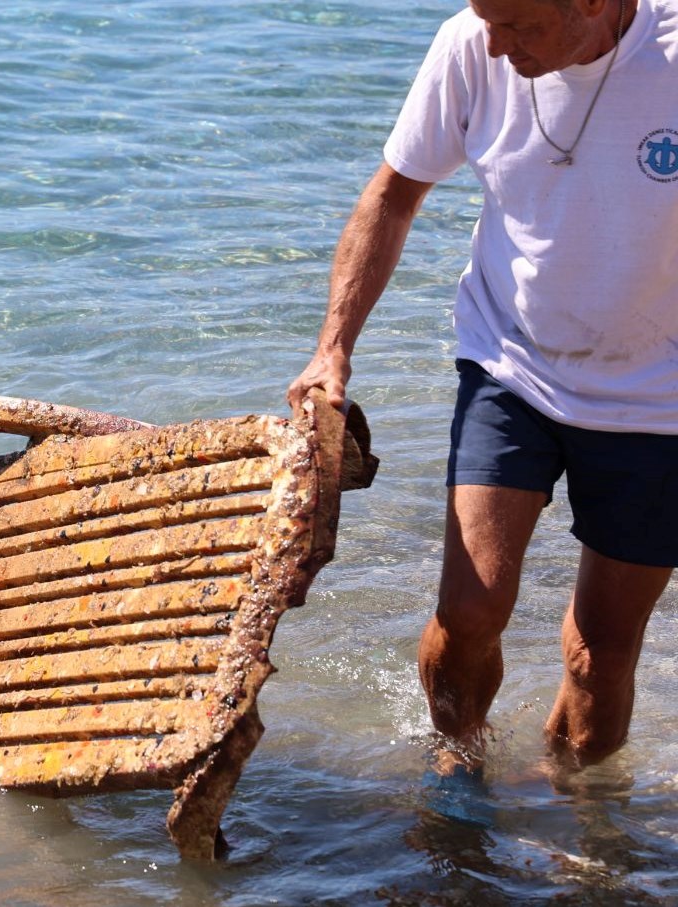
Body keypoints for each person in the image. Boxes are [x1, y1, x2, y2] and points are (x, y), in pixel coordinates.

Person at [288, 0, 678, 775]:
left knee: (600, 661)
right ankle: (456, 774)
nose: (495, 47)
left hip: (659, 400)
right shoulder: (470, 42)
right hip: (510, 364)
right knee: (469, 612)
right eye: (487, 21)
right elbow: (394, 194)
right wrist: (332, 350)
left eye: (520, 27)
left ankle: (570, 814)